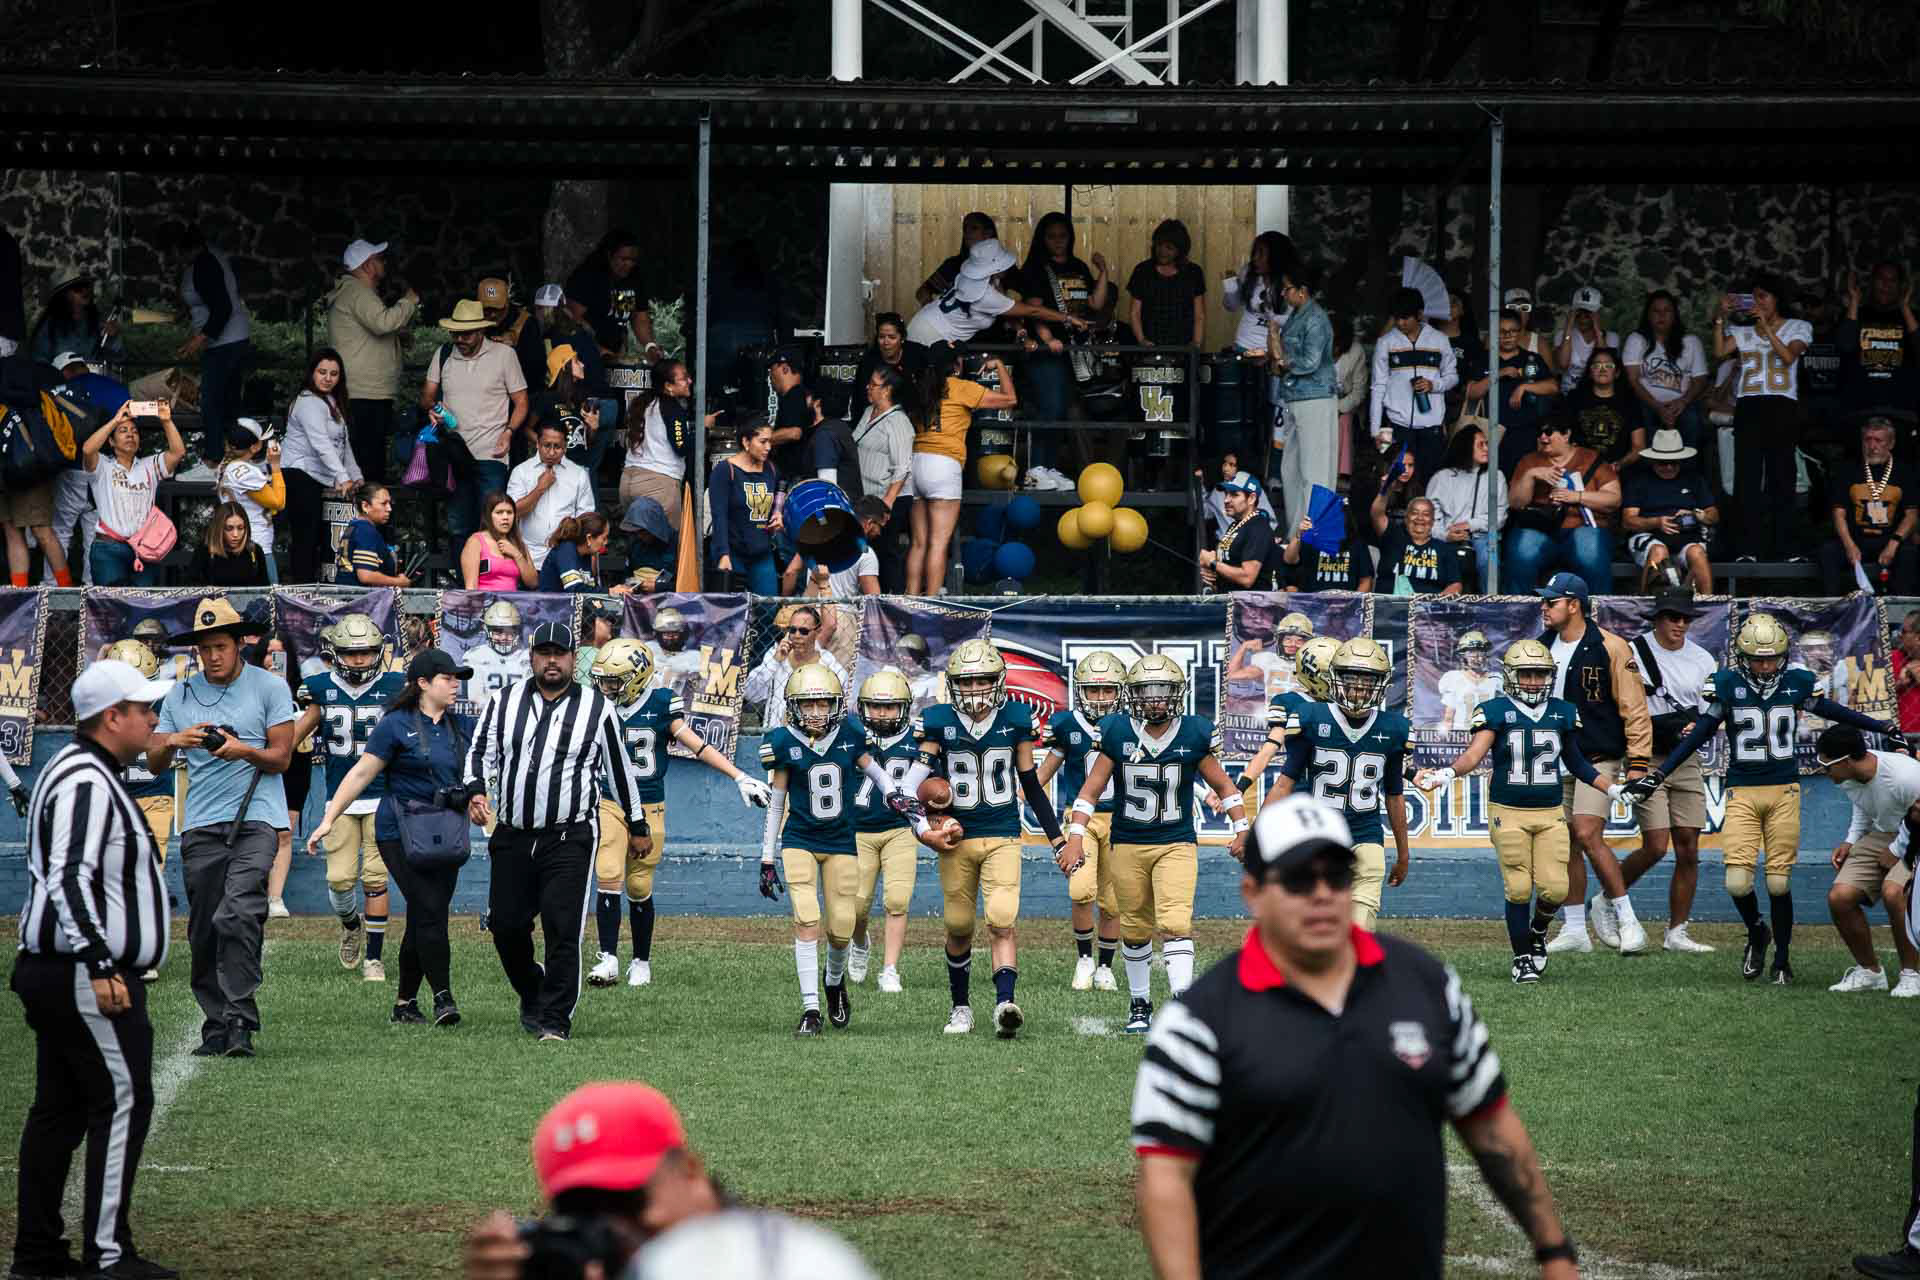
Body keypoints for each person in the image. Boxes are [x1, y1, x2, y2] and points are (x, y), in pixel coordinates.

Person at [1132, 793, 1580, 1280]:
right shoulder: (1198, 1022)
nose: (1322, 893)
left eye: (1337, 876)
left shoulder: (1428, 986)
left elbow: (1491, 1127)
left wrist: (1555, 1251)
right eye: (1299, 879)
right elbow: (1165, 1178)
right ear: (1253, 893)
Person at [1623, 612, 1904, 983]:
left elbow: (1831, 710)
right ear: (1743, 657)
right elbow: (1702, 731)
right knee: (1737, 882)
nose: (1766, 666)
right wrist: (1660, 774)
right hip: (1742, 789)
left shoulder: (1797, 681)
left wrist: (1880, 725)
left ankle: (1782, 960)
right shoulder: (1727, 683)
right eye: (1758, 659)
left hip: (1784, 790)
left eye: (1772, 658)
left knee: (1778, 883)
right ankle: (1757, 931)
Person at [12, 658, 178, 1280]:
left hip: (63, 967)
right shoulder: (85, 778)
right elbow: (68, 877)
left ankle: (38, 1254)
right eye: (143, 709)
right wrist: (100, 962)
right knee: (124, 1099)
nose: (153, 719)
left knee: (59, 1109)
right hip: (81, 971)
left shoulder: (85, 771)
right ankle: (109, 1254)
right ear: (113, 717)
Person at [462, 1081, 873, 1280]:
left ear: (690, 1172)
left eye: (629, 1200)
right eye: (585, 1216)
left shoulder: (793, 1263)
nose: (615, 1230)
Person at [462, 621, 651, 1042]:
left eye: (560, 654)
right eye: (544, 653)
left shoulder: (597, 708)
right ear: (531, 657)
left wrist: (637, 823)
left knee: (562, 927)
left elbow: (620, 771)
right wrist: (474, 791)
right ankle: (533, 989)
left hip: (570, 836)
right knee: (506, 926)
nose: (552, 661)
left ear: (572, 658)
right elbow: (478, 754)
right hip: (512, 833)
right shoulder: (503, 702)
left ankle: (555, 1020)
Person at [1061, 653, 1243, 1034]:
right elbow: (1090, 791)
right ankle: (1140, 1003)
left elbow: (1224, 786)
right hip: (1128, 843)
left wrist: (1242, 828)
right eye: (1147, 691)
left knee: (1175, 921)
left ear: (1177, 694)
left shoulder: (1193, 732)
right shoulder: (1116, 731)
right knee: (1134, 928)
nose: (1155, 699)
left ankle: (1181, 1006)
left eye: (1163, 691)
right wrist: (1075, 837)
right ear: (1133, 695)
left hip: (1177, 841)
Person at [1417, 641, 1621, 982]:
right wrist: (1447, 774)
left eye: (1540, 674)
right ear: (1511, 676)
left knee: (1556, 889)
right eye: (1526, 674)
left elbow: (1577, 762)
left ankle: (1537, 931)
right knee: (1518, 888)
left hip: (1550, 812)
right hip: (1508, 811)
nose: (1533, 681)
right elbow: (1475, 754)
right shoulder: (1495, 710)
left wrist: (1612, 789)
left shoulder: (1562, 711)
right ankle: (1522, 957)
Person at [895, 640, 1069, 1038]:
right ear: (953, 684)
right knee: (958, 925)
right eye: (966, 681)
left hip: (1003, 833)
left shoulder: (1016, 718)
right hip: (957, 838)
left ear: (998, 681)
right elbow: (907, 788)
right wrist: (927, 827)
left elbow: (1030, 784)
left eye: (982, 681)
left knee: (1002, 918)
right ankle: (960, 1008)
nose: (974, 689)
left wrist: (1058, 839)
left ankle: (1005, 1004)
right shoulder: (938, 721)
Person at [148, 597, 295, 1058]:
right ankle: (216, 1025)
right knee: (204, 930)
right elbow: (153, 761)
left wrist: (242, 750)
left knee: (238, 911)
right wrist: (175, 739)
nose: (212, 656)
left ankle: (240, 1020)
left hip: (257, 818)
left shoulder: (270, 687)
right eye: (205, 649)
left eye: (220, 647)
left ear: (239, 644)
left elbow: (282, 758)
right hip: (201, 823)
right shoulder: (180, 695)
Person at [582, 640, 767, 992]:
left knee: (639, 885)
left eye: (613, 681)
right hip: (609, 801)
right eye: (602, 681)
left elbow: (697, 745)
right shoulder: (597, 706)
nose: (605, 688)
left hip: (650, 803)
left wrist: (739, 776)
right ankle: (608, 958)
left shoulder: (661, 704)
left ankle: (641, 960)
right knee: (607, 871)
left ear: (636, 678)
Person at [304, 649, 474, 1027]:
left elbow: (484, 765)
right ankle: (443, 997)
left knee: (424, 913)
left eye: (457, 678)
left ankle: (404, 1003)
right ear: (423, 683)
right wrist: (328, 819)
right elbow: (362, 773)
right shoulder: (395, 724)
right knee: (429, 908)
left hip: (445, 830)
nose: (455, 684)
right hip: (400, 830)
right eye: (448, 678)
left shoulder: (462, 725)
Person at [756, 664, 923, 1035]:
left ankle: (833, 982)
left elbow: (875, 770)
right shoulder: (782, 741)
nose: (816, 712)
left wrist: (893, 794)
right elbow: (777, 802)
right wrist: (767, 859)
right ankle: (811, 1009)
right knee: (806, 917)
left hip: (842, 841)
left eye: (823, 703)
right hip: (800, 839)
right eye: (808, 704)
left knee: (842, 928)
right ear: (794, 706)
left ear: (835, 704)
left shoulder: (850, 734)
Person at [1511, 573, 1651, 960]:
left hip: (1597, 757)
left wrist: (1638, 762)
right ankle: (1575, 928)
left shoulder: (1611, 646)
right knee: (1565, 842)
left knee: (1588, 833)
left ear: (1574, 605)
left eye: (1552, 601)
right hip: (1552, 761)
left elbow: (1634, 707)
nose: (1544, 607)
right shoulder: (1539, 647)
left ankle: (1628, 920)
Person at [1592, 587, 1721, 955]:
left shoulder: (1702, 659)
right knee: (1655, 845)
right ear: (1658, 619)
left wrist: (1696, 728)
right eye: (1672, 617)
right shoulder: (1633, 652)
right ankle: (1606, 898)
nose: (1680, 624)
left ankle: (1677, 931)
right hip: (1645, 757)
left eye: (1685, 618)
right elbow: (1620, 705)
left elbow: (1711, 712)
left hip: (1686, 758)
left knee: (1689, 846)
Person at [1263, 637, 1410, 932]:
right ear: (1334, 679)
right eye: (1352, 682)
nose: (1359, 690)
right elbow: (1284, 783)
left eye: (1367, 684)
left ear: (1381, 685)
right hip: (1317, 834)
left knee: (1360, 927)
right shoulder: (1310, 717)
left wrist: (1403, 854)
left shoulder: (1394, 728)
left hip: (1366, 834)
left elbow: (1394, 796)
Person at [289, 614, 403, 982]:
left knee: (375, 878)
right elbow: (295, 736)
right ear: (335, 653)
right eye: (352, 653)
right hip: (339, 799)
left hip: (383, 797)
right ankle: (351, 924)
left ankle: (374, 957)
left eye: (367, 652)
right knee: (339, 880)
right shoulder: (320, 688)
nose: (359, 659)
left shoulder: (396, 687)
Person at [1031, 652, 1130, 992]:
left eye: (1107, 690)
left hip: (1121, 819)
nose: (1100, 697)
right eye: (1093, 690)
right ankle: (1085, 958)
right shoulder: (1067, 725)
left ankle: (1105, 966)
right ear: (1080, 691)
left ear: (1120, 691)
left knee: (1113, 900)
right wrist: (1017, 792)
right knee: (1081, 889)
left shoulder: (1130, 725)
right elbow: (1041, 775)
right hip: (1079, 819)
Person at [1815, 726, 1920, 997]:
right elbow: (1862, 803)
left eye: (1827, 766)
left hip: (1915, 837)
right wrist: (1851, 840)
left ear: (1847, 761)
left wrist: (1897, 849)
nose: (1824, 772)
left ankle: (1911, 975)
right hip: (1883, 834)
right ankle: (1870, 973)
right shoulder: (1849, 776)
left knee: (1894, 893)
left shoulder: (1905, 776)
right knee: (1840, 897)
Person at [1715, 275, 1810, 562]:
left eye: (1763, 296)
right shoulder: (1742, 331)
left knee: (1782, 476)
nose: (1758, 302)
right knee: (1747, 478)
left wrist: (1766, 328)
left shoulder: (1798, 327)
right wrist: (1720, 317)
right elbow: (1719, 352)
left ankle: (1786, 548)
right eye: (1753, 297)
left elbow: (1789, 357)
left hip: (1782, 405)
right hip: (1749, 405)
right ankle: (1747, 548)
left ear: (1777, 299)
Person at [424, 299, 531, 548]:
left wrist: (509, 432)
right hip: (454, 452)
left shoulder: (504, 355)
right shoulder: (443, 354)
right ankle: (461, 574)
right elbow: (427, 396)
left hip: (491, 454)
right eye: (455, 334)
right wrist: (433, 409)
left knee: (493, 525)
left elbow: (522, 401)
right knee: (458, 527)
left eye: (466, 334)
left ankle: (491, 574)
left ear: (481, 330)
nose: (459, 339)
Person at [1013, 211, 1113, 473]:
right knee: (1050, 409)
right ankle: (1038, 469)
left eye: (1063, 236)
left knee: (1064, 410)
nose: (1058, 241)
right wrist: (1048, 338)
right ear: (1042, 239)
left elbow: (1096, 303)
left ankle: (1050, 469)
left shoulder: (1079, 267)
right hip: (1047, 351)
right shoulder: (1036, 268)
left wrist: (1103, 271)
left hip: (1075, 352)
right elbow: (1033, 309)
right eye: (1052, 236)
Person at [910, 344, 1012, 596]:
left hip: (917, 462)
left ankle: (909, 597)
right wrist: (999, 365)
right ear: (956, 365)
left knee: (919, 543)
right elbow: (1010, 399)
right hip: (944, 464)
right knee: (938, 544)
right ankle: (931, 602)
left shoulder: (920, 388)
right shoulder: (961, 387)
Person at [326, 239, 419, 482]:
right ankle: (368, 503)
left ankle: (366, 502)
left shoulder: (354, 292)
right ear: (367, 265)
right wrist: (408, 302)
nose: (383, 263)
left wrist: (396, 336)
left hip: (364, 392)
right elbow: (382, 323)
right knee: (368, 460)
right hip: (364, 394)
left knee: (365, 456)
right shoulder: (357, 292)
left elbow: (375, 328)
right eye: (379, 259)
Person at [1505, 419, 1620, 596]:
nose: (1543, 437)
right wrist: (1531, 475)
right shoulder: (1529, 461)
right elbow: (1515, 503)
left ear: (1566, 435)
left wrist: (1576, 496)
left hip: (1583, 527)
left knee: (1590, 550)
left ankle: (1597, 609)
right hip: (1541, 530)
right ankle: (1519, 610)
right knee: (1522, 551)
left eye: (1549, 432)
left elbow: (1614, 499)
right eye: (1540, 433)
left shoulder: (1591, 459)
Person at [80, 399, 186, 587]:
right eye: (123, 431)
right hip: (108, 549)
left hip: (144, 549)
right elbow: (87, 449)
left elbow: (177, 452)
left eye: (134, 431)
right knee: (111, 603)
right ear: (111, 441)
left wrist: (166, 421)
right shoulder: (103, 465)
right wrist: (116, 420)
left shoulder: (149, 465)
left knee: (142, 604)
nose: (130, 434)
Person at [905, 238, 1085, 349]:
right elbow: (1033, 310)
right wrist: (1068, 318)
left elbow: (1005, 310)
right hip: (930, 335)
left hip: (927, 322)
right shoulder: (985, 296)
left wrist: (1021, 332)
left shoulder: (978, 279)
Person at [279, 348, 362, 582]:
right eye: (322, 372)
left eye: (334, 374)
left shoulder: (332, 401)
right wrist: (343, 477)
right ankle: (300, 591)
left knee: (317, 538)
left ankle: (314, 588)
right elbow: (321, 443)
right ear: (312, 373)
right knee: (305, 538)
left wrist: (355, 476)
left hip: (320, 478)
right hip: (299, 473)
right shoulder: (307, 401)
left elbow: (343, 444)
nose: (327, 378)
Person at [175, 226, 252, 470]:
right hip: (231, 339)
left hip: (224, 342)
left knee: (211, 400)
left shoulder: (205, 265)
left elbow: (222, 308)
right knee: (229, 400)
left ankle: (214, 457)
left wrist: (198, 339)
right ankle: (241, 453)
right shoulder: (211, 257)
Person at [1369, 286, 1458, 484]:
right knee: (1397, 481)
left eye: (1405, 318)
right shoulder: (1386, 343)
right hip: (1398, 425)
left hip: (1432, 425)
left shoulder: (1439, 340)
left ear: (1419, 314)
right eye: (1397, 318)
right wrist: (1375, 430)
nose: (1400, 323)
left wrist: (1433, 385)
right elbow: (1378, 387)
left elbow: (1453, 377)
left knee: (1431, 480)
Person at [1822, 414, 1918, 596]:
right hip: (1856, 539)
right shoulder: (1848, 469)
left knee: (1909, 553)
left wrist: (1893, 545)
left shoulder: (1905, 472)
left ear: (1891, 444)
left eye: (1878, 441)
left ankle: (1902, 607)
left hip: (1890, 538)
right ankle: (1833, 605)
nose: (1872, 446)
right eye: (1868, 440)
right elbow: (1838, 513)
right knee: (1829, 551)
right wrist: (1849, 545)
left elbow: (1911, 515)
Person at [1273, 263, 1337, 529]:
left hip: (1315, 398)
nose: (1283, 294)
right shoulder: (1296, 316)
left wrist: (1284, 362)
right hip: (1295, 397)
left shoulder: (1315, 318)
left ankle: (1313, 536)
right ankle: (1294, 534)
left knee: (1314, 471)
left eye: (1287, 289)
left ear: (1302, 290)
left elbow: (1310, 361)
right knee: (1291, 470)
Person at [1620, 428, 1719, 594]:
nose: (1669, 467)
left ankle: (1706, 605)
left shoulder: (1694, 479)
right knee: (1658, 551)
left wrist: (1696, 515)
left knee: (1697, 553)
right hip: (1650, 536)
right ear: (1653, 460)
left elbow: (1714, 515)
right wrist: (1657, 522)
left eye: (1674, 463)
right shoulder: (1638, 482)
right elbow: (1627, 521)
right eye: (1663, 463)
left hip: (1688, 536)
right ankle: (1649, 605)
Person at [1470, 309, 1563, 478]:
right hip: (1489, 432)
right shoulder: (1483, 359)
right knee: (1488, 481)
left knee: (1521, 479)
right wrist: (1499, 373)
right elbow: (1472, 393)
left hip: (1524, 432)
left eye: (1512, 331)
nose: (1507, 335)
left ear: (1520, 332)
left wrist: (1524, 387)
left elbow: (1553, 387)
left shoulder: (1531, 359)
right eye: (1502, 331)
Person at [620, 358, 708, 529]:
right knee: (667, 542)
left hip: (628, 481)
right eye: (684, 378)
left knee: (638, 542)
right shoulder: (673, 408)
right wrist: (703, 428)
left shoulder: (643, 403)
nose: (690, 381)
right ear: (668, 386)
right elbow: (681, 447)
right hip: (658, 485)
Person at [852, 365, 916, 591]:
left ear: (887, 390)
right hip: (870, 497)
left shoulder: (898, 422)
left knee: (886, 554)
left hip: (889, 499)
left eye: (874, 384)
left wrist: (887, 504)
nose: (868, 387)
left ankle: (892, 601)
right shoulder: (868, 412)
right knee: (871, 553)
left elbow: (902, 467)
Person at [1623, 290, 1710, 448]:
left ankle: (1687, 463)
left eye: (1667, 311)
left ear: (1675, 315)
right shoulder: (1637, 340)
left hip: (1682, 403)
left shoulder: (1691, 341)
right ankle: (1649, 463)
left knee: (1692, 420)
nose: (1661, 315)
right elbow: (1632, 380)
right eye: (1656, 311)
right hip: (1647, 402)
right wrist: (1657, 406)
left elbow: (1700, 379)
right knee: (1643, 417)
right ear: (1648, 315)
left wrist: (1683, 402)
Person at [708, 420, 785, 595]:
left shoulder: (771, 469)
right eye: (763, 441)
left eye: (770, 441)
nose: (768, 447)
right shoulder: (725, 470)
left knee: (768, 606)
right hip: (733, 552)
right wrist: (723, 555)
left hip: (762, 553)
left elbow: (781, 487)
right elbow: (719, 516)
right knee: (732, 606)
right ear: (746, 441)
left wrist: (778, 512)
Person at [508, 421, 596, 573]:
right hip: (529, 556)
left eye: (557, 447)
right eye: (546, 445)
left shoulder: (578, 474)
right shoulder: (521, 472)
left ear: (565, 447)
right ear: (537, 444)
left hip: (566, 558)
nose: (551, 452)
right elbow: (512, 513)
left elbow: (586, 520)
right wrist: (540, 489)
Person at [1426, 419, 1505, 588]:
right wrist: (1445, 535)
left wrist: (1470, 524)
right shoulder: (1442, 478)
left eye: (1487, 444)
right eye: (1481, 445)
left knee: (1489, 560)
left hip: (1484, 535)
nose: (1486, 449)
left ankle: (1490, 601)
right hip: (1447, 535)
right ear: (1466, 447)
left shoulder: (1496, 476)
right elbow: (1430, 519)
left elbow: (1500, 517)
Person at [743, 605, 847, 731]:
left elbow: (843, 704)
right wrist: (775, 662)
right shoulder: (775, 655)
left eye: (804, 631)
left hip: (814, 735)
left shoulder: (828, 664)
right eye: (792, 630)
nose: (797, 635)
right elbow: (750, 693)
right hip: (775, 734)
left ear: (818, 631)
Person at [1370, 460, 1462, 595]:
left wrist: (1435, 603)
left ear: (1432, 521)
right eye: (1414, 513)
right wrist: (1385, 490)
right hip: (1390, 605)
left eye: (1426, 514)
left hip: (1427, 607)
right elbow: (1377, 514)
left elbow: (1455, 584)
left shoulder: (1444, 549)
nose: (1420, 518)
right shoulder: (1393, 538)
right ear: (1406, 518)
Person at [567, 229, 661, 361]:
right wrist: (598, 350)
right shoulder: (587, 277)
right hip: (584, 354)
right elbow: (571, 319)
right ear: (609, 255)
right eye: (624, 259)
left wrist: (650, 346)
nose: (629, 264)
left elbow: (639, 318)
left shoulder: (633, 278)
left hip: (615, 352)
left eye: (633, 260)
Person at [1838, 261, 1918, 415]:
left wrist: (1905, 308)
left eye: (1892, 280)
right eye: (1881, 278)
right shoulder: (1855, 314)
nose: (1886, 285)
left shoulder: (1911, 317)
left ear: (1900, 286)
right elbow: (1845, 346)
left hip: (1902, 408)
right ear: (1872, 282)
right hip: (1859, 408)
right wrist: (1854, 300)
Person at [212, 417, 284, 584]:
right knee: (267, 597)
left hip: (241, 544)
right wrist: (275, 466)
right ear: (255, 446)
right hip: (255, 546)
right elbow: (278, 502)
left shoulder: (229, 464)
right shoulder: (244, 471)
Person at [1125, 219, 1207, 350]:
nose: (1162, 251)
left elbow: (1199, 315)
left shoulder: (1193, 272)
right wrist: (1142, 340)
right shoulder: (1143, 271)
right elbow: (1134, 312)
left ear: (1180, 250)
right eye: (1159, 245)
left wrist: (1196, 344)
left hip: (1184, 348)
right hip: (1149, 347)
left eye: (1169, 248)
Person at [1558, 346, 1644, 469]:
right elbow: (1561, 437)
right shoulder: (1575, 398)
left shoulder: (1630, 401)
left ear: (1617, 373)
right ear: (1590, 373)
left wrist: (1619, 465)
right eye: (1597, 365)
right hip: (1579, 468)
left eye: (1608, 366)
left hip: (1618, 469)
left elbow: (1639, 446)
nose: (1602, 369)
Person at [1199, 471, 1274, 593]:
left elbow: (1247, 578)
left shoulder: (1258, 527)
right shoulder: (1235, 525)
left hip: (1252, 604)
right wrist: (1211, 574)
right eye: (1226, 494)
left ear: (1251, 498)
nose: (1226, 500)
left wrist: (1212, 563)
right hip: (1231, 601)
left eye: (1234, 495)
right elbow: (1229, 570)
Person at [28, 275, 123, 368]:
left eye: (86, 286)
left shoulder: (96, 322)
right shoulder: (50, 327)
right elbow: (39, 364)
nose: (84, 290)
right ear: (63, 294)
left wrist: (112, 338)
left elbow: (115, 360)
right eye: (78, 288)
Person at [1280, 507, 1374, 593]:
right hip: (1313, 602)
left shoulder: (1357, 544)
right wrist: (1299, 534)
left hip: (1346, 602)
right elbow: (1289, 559)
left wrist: (1354, 602)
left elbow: (1366, 581)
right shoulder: (1312, 540)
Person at [337, 483, 412, 588]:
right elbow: (366, 576)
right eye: (383, 503)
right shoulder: (366, 531)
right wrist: (399, 582)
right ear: (365, 506)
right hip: (361, 597)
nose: (389, 508)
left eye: (389, 503)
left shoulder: (353, 527)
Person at [916, 211, 998, 306]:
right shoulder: (953, 265)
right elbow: (923, 292)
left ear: (988, 233)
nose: (967, 232)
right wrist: (936, 310)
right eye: (965, 228)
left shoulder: (1002, 265)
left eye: (974, 228)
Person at [461, 492, 538, 591]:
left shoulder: (518, 543)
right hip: (485, 600)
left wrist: (517, 555)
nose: (505, 517)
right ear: (488, 516)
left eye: (509, 512)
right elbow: (471, 587)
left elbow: (533, 583)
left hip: (512, 600)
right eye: (499, 512)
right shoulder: (476, 541)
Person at [1553, 285, 1622, 393]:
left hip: (1598, 393)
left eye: (1588, 314)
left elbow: (1606, 365)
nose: (1582, 319)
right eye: (1579, 314)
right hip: (1569, 392)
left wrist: (1597, 329)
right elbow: (1563, 364)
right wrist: (1569, 326)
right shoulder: (1563, 335)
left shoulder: (1612, 337)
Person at [853, 312, 931, 408]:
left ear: (902, 338)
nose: (886, 342)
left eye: (892, 337)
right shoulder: (869, 362)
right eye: (881, 337)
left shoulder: (917, 354)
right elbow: (861, 400)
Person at [188, 501, 272, 587]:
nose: (235, 534)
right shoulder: (205, 551)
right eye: (229, 528)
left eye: (240, 528)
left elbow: (265, 588)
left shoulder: (254, 551)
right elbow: (192, 586)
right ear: (219, 529)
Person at [467, 599, 532, 709]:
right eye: (498, 632)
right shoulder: (475, 656)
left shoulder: (527, 657)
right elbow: (475, 698)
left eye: (509, 632)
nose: (503, 638)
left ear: (517, 632)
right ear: (487, 630)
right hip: (486, 713)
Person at [539, 512, 625, 595]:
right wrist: (610, 591)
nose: (606, 543)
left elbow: (589, 589)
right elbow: (574, 589)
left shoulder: (586, 554)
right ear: (589, 538)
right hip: (551, 604)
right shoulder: (566, 550)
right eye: (604, 538)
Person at [1201, 451, 1276, 542]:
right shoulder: (1218, 491)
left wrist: (1261, 540)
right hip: (1225, 543)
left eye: (1232, 465)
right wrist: (1200, 485)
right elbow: (1205, 513)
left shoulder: (1253, 488)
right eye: (1224, 463)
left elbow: (1271, 521)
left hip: (1250, 542)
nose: (1226, 468)